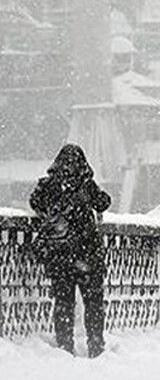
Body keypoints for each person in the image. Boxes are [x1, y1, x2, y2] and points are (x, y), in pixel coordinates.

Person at [29, 143, 112, 357]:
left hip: (60, 255)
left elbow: (35, 202)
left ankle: (65, 347)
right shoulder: (86, 185)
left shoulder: (50, 185)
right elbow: (104, 203)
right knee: (93, 304)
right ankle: (96, 345)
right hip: (87, 254)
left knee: (63, 303)